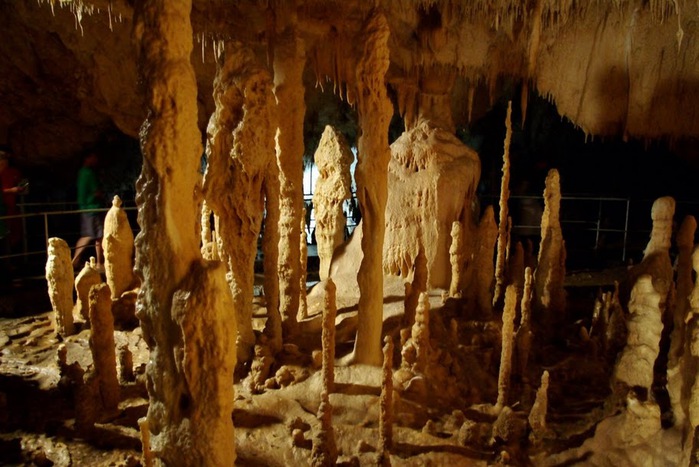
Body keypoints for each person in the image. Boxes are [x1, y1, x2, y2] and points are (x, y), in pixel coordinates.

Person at [72, 152, 104, 270]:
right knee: (94, 236)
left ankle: (77, 261)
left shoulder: (81, 172)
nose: (96, 159)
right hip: (93, 207)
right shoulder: (89, 173)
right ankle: (99, 263)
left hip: (85, 207)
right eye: (94, 157)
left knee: (90, 235)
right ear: (88, 158)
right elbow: (96, 191)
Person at [0, 151, 26, 253]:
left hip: (11, 207)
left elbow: (21, 182)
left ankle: (11, 259)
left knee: (14, 233)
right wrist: (11, 190)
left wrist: (20, 188)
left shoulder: (13, 172)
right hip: (3, 208)